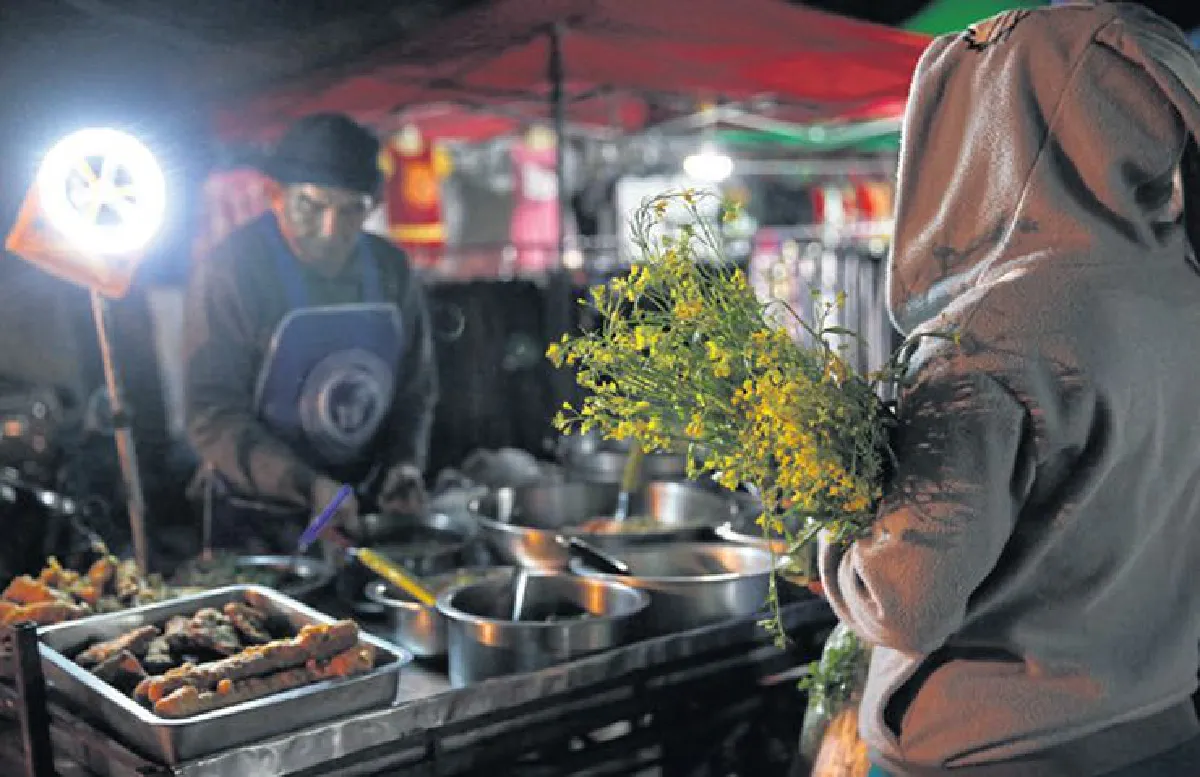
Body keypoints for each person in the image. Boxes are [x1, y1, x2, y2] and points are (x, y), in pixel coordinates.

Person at [817, 5, 1200, 776]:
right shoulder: (1180, 291)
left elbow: (906, 601)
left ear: (983, 127)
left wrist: (830, 524)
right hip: (1162, 728)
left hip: (995, 749)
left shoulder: (992, 332)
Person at [184, 113, 438, 552]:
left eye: (351, 210)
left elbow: (415, 390)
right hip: (257, 518)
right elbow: (212, 413)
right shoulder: (233, 270)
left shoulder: (390, 269)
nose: (331, 231)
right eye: (311, 207)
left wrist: (404, 464)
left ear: (372, 206)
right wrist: (307, 485)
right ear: (274, 195)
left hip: (364, 506)